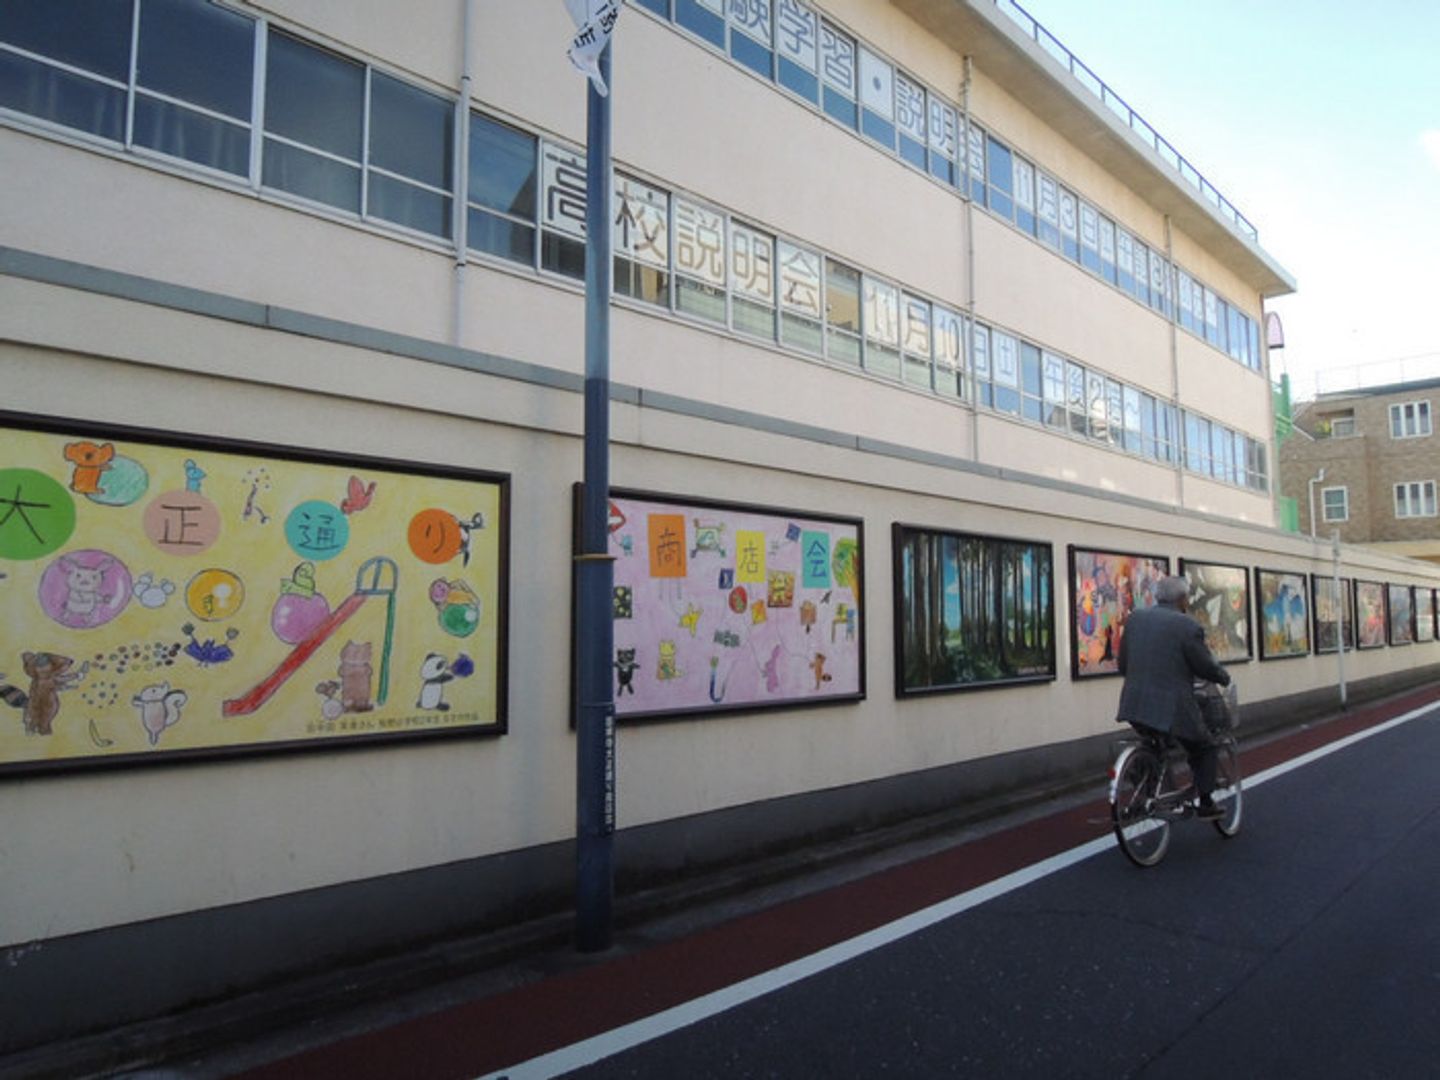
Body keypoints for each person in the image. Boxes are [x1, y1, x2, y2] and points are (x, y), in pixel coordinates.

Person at [1116, 574, 1232, 819]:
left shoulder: (1135, 619)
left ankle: (1146, 791)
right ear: (1182, 599)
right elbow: (1204, 665)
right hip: (1171, 706)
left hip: (1133, 704)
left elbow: (1123, 665)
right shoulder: (1187, 625)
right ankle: (1206, 802)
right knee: (1203, 745)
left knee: (1156, 744)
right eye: (1186, 597)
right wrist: (1223, 676)